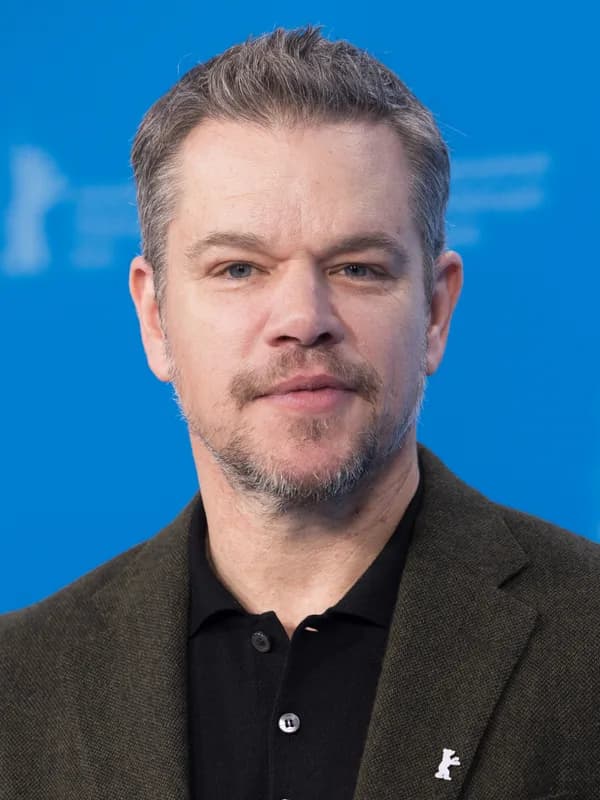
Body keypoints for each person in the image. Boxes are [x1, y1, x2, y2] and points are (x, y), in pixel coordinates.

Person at [1, 25, 598, 800]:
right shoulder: (18, 687)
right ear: (154, 318)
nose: (303, 318)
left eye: (357, 268)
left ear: (436, 312)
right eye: (238, 268)